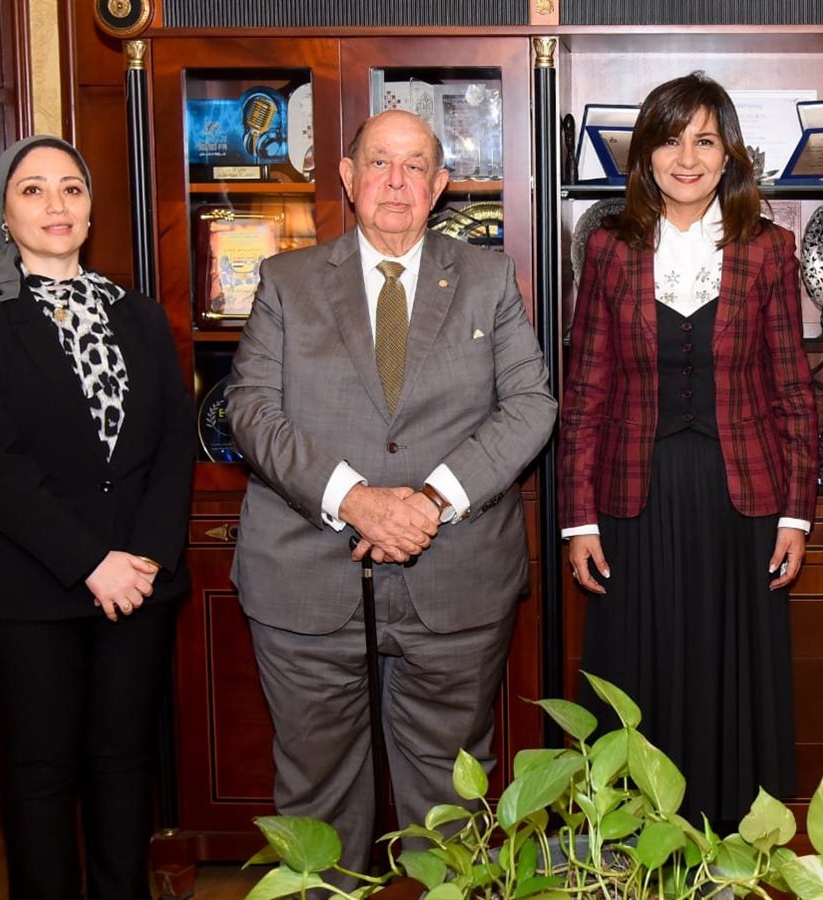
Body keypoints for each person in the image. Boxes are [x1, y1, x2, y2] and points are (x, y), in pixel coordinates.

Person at [227, 109, 556, 877]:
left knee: (452, 798)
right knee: (315, 795)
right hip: (306, 580)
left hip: (455, 578)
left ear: (440, 185)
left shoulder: (487, 278)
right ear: (348, 177)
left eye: (415, 166)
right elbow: (251, 410)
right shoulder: (286, 281)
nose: (397, 182)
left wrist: (430, 502)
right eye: (379, 162)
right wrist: (354, 499)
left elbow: (531, 406)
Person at [0, 134, 193, 900]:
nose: (56, 204)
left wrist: (145, 558)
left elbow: (174, 443)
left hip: (137, 582)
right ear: (3, 215)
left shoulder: (141, 316)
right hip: (22, 584)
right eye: (33, 189)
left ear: (90, 210)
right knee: (42, 769)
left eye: (72, 188)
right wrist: (90, 563)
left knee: (124, 763)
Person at [559, 72, 818, 825]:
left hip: (742, 506)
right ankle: (633, 849)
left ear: (728, 154)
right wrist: (578, 521)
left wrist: (796, 515)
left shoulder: (769, 250)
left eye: (704, 141)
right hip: (633, 503)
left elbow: (792, 389)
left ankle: (727, 849)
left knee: (728, 677)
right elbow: (586, 391)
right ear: (645, 154)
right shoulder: (609, 249)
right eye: (670, 140)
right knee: (638, 676)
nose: (687, 158)